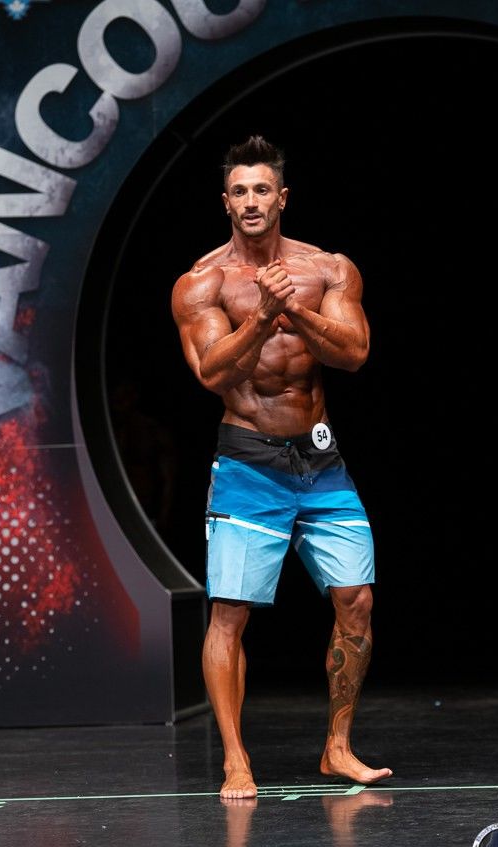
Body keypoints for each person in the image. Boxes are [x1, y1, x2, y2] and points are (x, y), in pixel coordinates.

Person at [172, 135, 392, 799]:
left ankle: (337, 748)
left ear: (282, 198)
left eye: (261, 190)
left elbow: (354, 353)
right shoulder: (202, 282)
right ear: (225, 202)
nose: (251, 201)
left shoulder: (327, 269)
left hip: (321, 461)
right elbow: (212, 374)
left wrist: (292, 304)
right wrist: (264, 316)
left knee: (357, 599)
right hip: (248, 462)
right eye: (239, 191)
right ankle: (235, 760)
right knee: (230, 613)